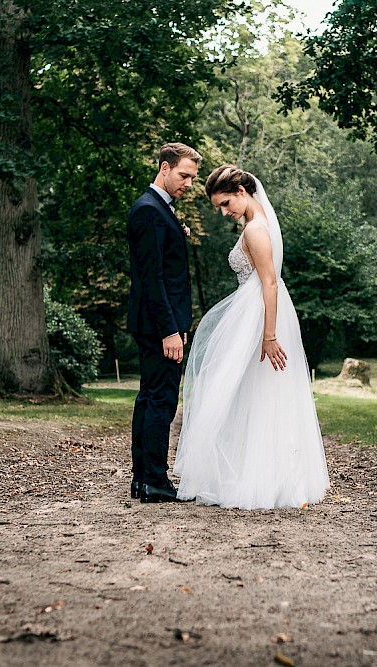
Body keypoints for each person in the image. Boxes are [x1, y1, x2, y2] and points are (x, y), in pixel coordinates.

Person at [174, 165, 329, 509]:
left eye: (226, 203)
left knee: (250, 390)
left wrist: (269, 335)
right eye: (220, 206)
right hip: (259, 312)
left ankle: (265, 479)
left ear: (242, 192)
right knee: (254, 392)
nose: (224, 211)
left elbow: (269, 282)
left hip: (261, 316)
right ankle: (265, 476)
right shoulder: (260, 224)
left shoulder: (256, 230)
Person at [126, 142, 201, 503]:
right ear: (165, 168)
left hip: (157, 324)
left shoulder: (157, 210)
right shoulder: (149, 212)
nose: (188, 183)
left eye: (192, 177)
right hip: (158, 327)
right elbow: (152, 279)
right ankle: (154, 480)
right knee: (161, 400)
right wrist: (170, 330)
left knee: (151, 398)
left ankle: (144, 479)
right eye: (184, 175)